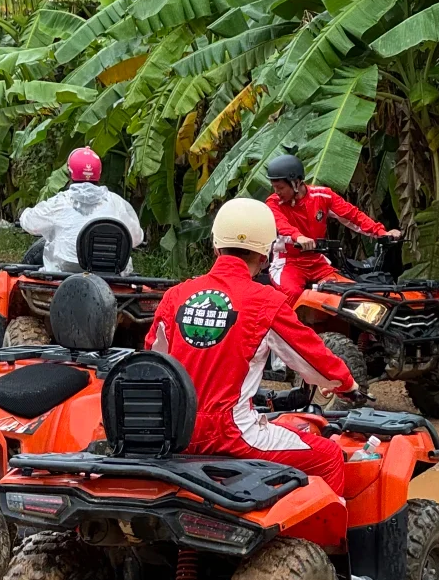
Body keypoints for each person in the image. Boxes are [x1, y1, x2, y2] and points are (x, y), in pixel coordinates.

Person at [146, 198, 360, 493]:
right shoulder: (266, 302)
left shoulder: (176, 295)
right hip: (232, 433)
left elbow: (154, 360)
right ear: (265, 254)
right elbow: (312, 356)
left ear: (216, 246)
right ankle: (321, 526)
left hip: (175, 431)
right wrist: (345, 385)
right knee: (329, 456)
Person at [265, 154, 401, 305]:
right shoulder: (273, 203)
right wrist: (298, 237)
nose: (277, 192)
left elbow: (352, 215)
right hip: (287, 263)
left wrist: (381, 232)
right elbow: (280, 224)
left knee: (348, 293)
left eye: (280, 188)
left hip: (317, 261)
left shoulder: (322, 196)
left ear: (296, 183)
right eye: (274, 187)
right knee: (292, 294)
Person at [19, 147, 144, 274]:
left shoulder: (59, 202)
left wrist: (23, 214)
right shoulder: (116, 202)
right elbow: (136, 238)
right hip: (112, 272)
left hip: (65, 270)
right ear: (99, 174)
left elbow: (31, 224)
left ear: (70, 173)